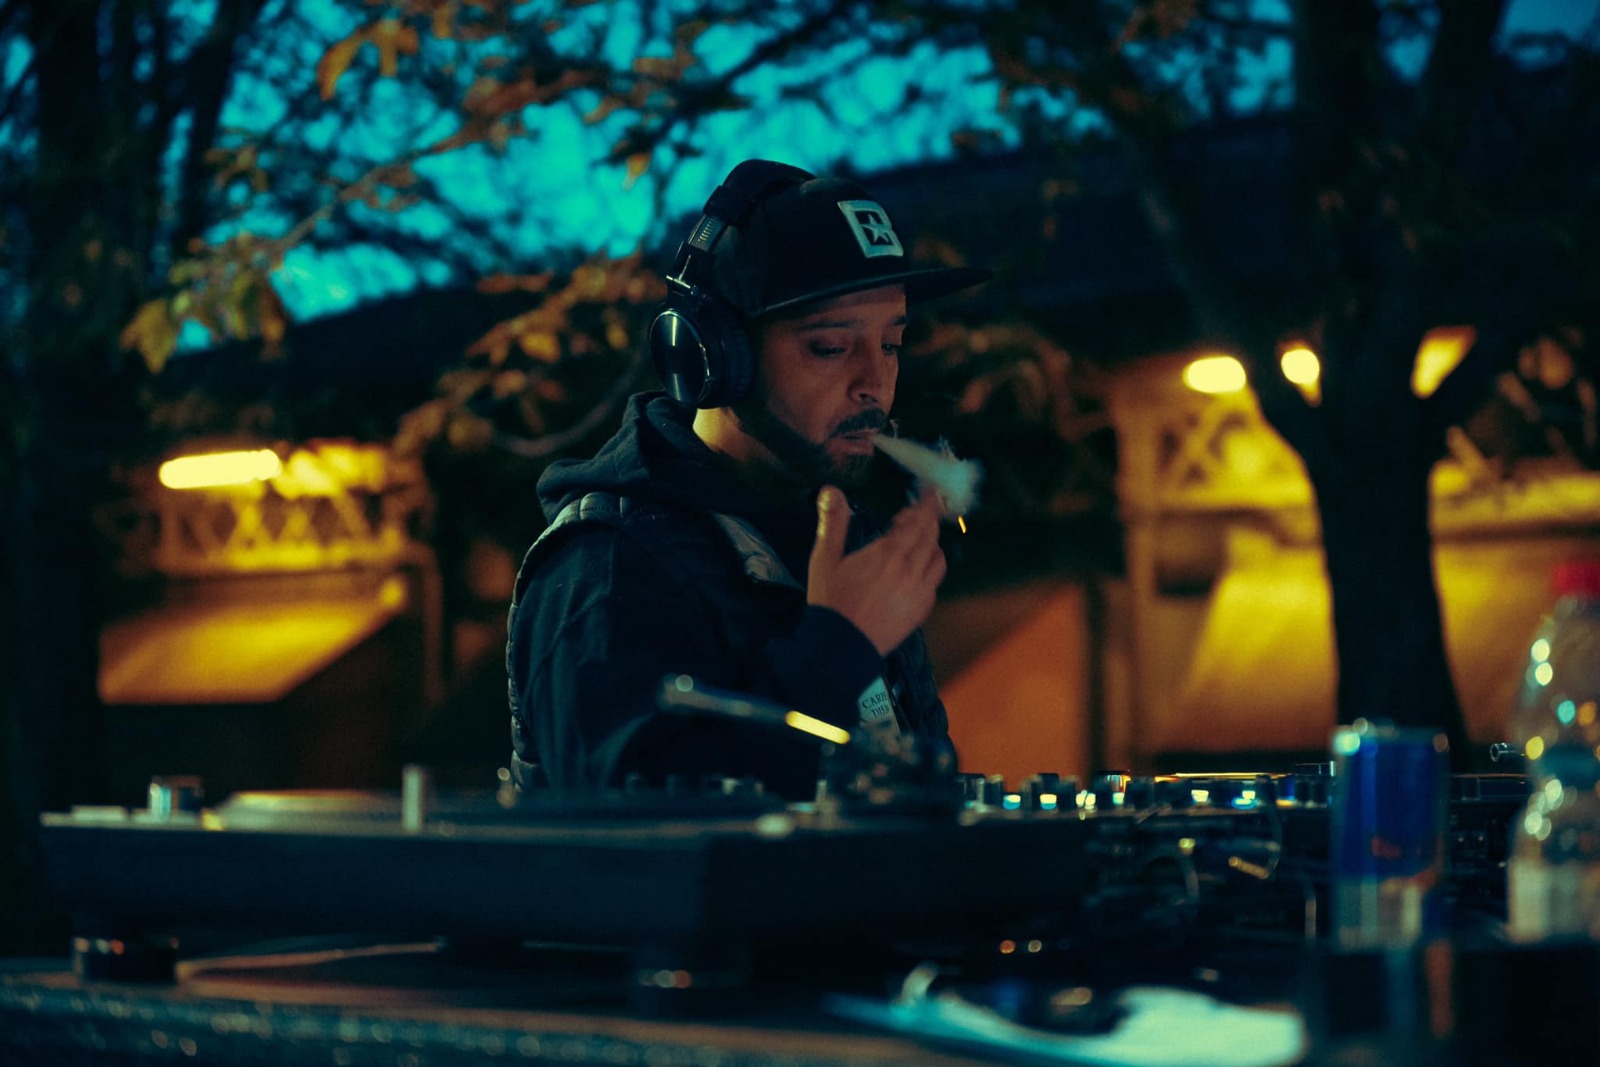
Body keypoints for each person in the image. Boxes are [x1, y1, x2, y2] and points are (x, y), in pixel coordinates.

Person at [506, 159, 989, 799]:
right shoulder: (608, 566)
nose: (874, 382)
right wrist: (835, 651)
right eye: (830, 347)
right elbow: (636, 829)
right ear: (714, 358)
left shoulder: (848, 545)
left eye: (891, 345)